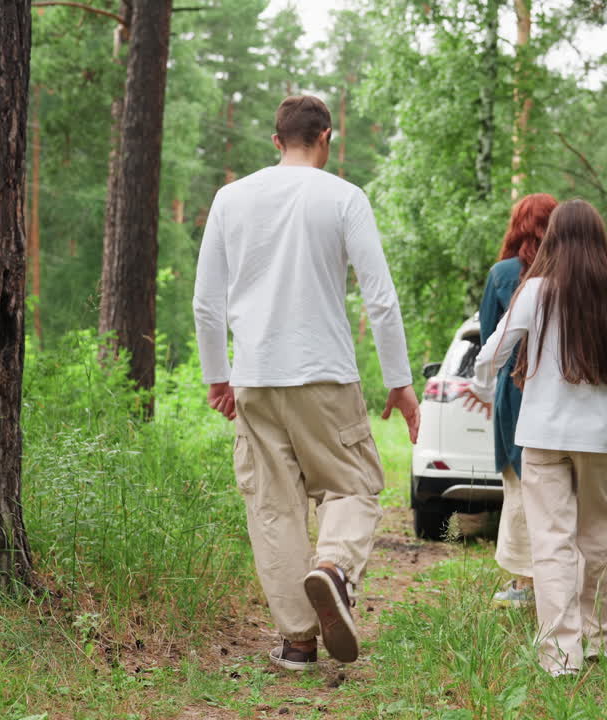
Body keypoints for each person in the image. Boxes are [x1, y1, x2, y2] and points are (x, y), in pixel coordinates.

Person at [192, 95, 420, 672]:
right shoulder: (343, 196)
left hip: (256, 379)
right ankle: (336, 569)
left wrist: (217, 375)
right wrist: (399, 382)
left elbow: (206, 303)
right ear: (327, 138)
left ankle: (297, 643)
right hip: (325, 374)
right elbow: (381, 299)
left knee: (273, 508)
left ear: (277, 141)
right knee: (353, 485)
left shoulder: (230, 198)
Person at [464, 199, 607, 677]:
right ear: (599, 239)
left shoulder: (535, 291)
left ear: (555, 240)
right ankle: (603, 642)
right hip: (601, 437)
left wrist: (484, 390)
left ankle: (560, 653)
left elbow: (492, 352)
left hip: (543, 434)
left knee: (550, 542)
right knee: (599, 537)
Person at [478, 192, 558, 609]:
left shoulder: (503, 274)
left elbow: (492, 339)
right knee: (563, 490)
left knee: (520, 484)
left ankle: (525, 585)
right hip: (568, 390)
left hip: (517, 389)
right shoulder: (574, 271)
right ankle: (561, 583)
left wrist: (482, 387)